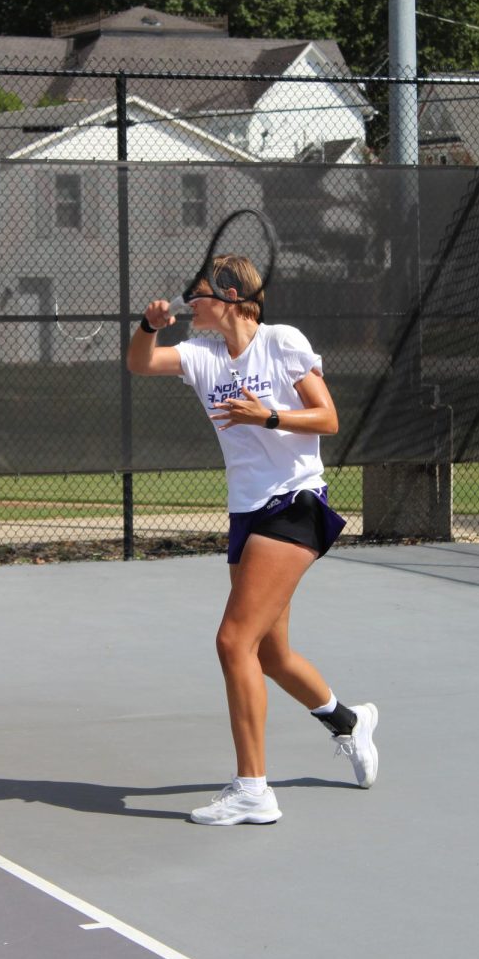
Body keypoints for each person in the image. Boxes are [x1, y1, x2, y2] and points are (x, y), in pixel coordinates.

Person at [127, 254, 378, 825]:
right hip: (246, 514)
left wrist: (268, 418)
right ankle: (349, 722)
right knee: (270, 653)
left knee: (232, 642)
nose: (191, 300)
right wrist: (148, 326)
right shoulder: (201, 355)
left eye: (200, 292)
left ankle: (253, 790)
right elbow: (141, 365)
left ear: (232, 295)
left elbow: (328, 418)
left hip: (295, 504)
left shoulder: (281, 342)